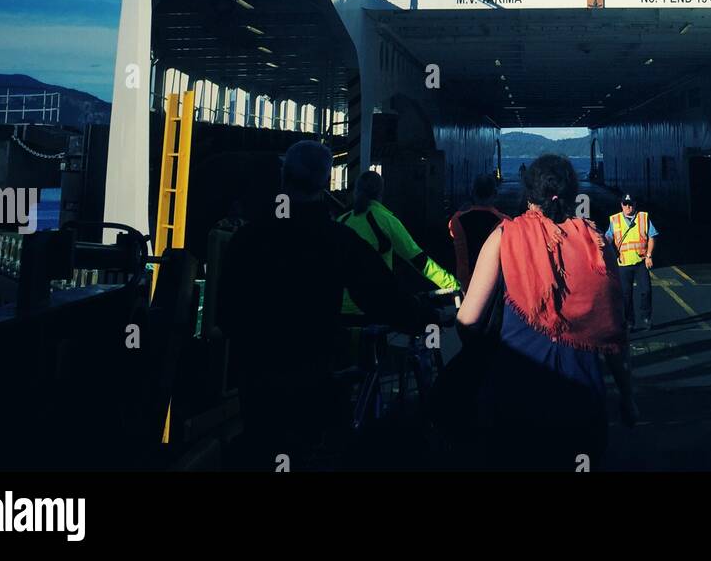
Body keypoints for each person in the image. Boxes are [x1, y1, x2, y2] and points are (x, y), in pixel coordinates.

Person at [216, 141, 436, 469]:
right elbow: (382, 296)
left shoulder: (246, 239)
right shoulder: (336, 240)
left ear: (284, 177)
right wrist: (422, 317)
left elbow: (226, 313)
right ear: (324, 183)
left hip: (255, 379)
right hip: (311, 373)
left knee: (262, 447)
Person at [455, 154, 636, 470]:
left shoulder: (503, 237)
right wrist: (626, 396)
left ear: (529, 193)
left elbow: (468, 320)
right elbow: (614, 331)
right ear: (572, 193)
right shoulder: (596, 242)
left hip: (515, 398)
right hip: (582, 405)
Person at [336, 170, 458, 306]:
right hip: (375, 307)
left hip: (339, 308)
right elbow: (420, 261)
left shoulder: (342, 220)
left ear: (355, 191)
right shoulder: (386, 221)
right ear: (381, 192)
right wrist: (453, 285)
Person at [605, 194, 658, 331]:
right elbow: (608, 237)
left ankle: (646, 317)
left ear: (635, 204)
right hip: (623, 263)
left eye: (630, 204)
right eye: (625, 204)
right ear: (621, 205)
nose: (628, 206)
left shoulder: (643, 218)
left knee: (646, 291)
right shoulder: (615, 220)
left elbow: (652, 236)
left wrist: (649, 256)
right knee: (626, 295)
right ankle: (629, 321)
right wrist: (604, 241)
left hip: (641, 262)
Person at [448, 173, 507, 291]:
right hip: (493, 284)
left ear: (473, 192)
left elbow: (452, 234)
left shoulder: (456, 220)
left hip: (465, 282)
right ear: (495, 194)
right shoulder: (505, 222)